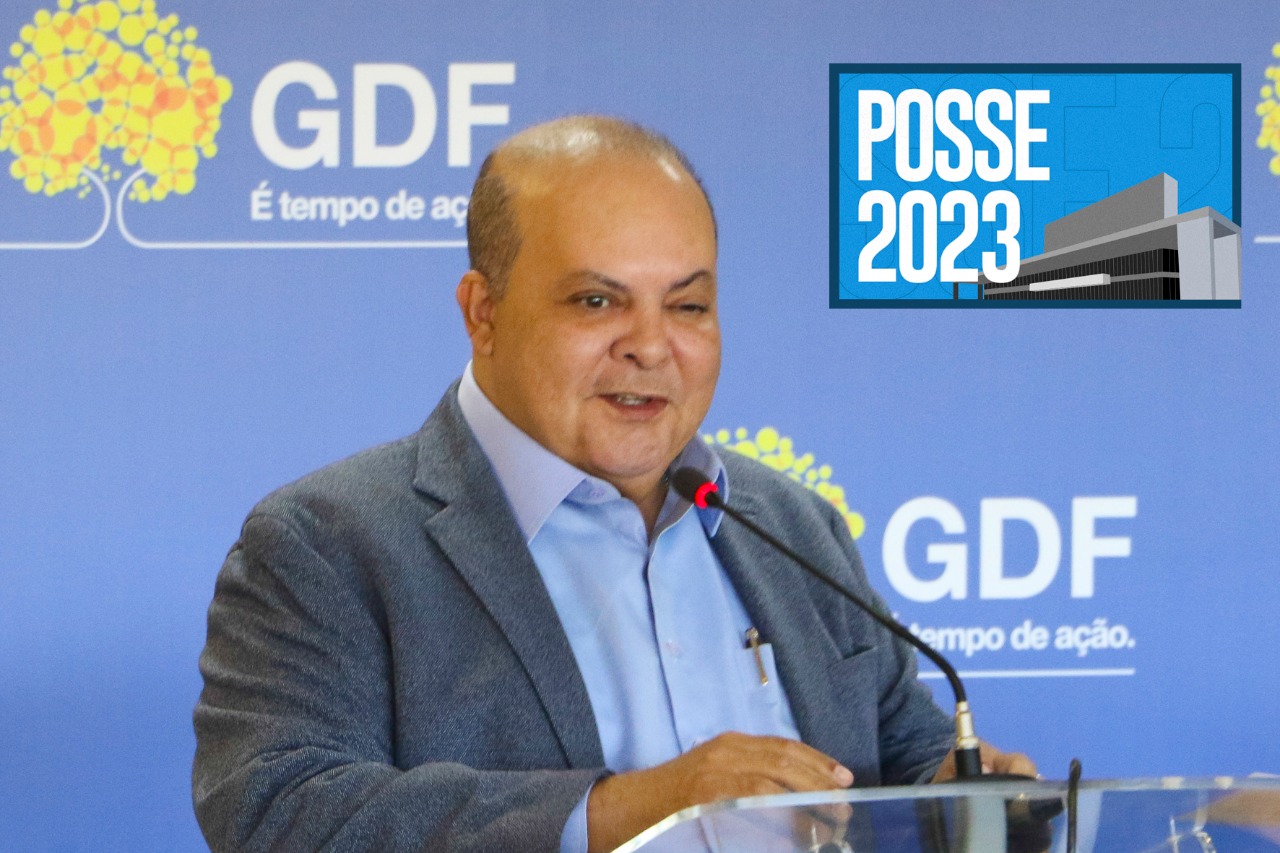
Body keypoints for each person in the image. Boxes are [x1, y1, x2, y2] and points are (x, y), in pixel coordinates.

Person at [192, 115, 1033, 853]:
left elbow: (900, 751)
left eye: (688, 306)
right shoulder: (328, 543)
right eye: (597, 302)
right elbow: (279, 813)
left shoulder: (793, 525)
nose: (651, 345)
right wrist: (630, 808)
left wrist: (961, 792)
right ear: (483, 312)